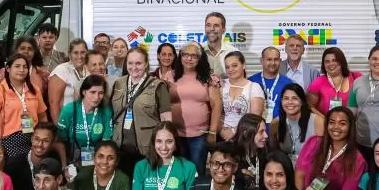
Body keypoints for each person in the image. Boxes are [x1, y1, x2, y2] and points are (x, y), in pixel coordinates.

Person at [111, 47, 173, 177]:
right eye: (130, 63)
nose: (134, 67)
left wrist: (164, 149)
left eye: (138, 63)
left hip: (146, 151)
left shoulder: (158, 85)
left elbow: (166, 121)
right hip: (120, 150)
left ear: (145, 64)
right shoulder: (118, 83)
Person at [0, 54, 49, 162]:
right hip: (9, 142)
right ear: (8, 69)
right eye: (17, 66)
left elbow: (42, 116)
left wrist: (46, 136)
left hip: (34, 139)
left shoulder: (34, 89)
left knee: (33, 173)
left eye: (25, 67)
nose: (22, 70)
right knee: (14, 173)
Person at [170, 41, 221, 176]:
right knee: (178, 173)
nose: (189, 58)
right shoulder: (171, 76)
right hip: (175, 135)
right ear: (180, 57)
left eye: (194, 56)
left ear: (200, 58)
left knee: (197, 173)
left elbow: (216, 104)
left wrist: (213, 131)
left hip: (199, 136)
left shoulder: (208, 78)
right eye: (185, 55)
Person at [5, 123, 64, 190]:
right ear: (32, 139)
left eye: (46, 141)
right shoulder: (14, 165)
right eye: (37, 139)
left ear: (52, 143)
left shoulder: (54, 161)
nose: (40, 144)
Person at [57, 74, 113, 168]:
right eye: (93, 92)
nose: (96, 97)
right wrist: (64, 166)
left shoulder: (105, 111)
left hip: (97, 156)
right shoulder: (70, 110)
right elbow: (59, 141)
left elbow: (106, 143)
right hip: (72, 155)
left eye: (101, 93)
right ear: (84, 92)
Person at [269, 83, 322, 161]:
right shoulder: (275, 123)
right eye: (286, 98)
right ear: (281, 101)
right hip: (286, 169)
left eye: (294, 98)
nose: (290, 102)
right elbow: (274, 153)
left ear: (302, 101)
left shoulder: (317, 122)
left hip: (311, 169)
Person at [220, 51, 265, 141]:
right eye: (227, 67)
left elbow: (254, 119)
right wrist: (221, 131)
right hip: (222, 135)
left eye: (234, 65)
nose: (230, 69)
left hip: (244, 137)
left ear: (243, 65)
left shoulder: (254, 87)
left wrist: (234, 131)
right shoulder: (221, 84)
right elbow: (216, 112)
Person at [307, 47, 360, 115]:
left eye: (334, 60)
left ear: (341, 62)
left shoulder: (356, 77)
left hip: (352, 123)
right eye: (327, 61)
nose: (331, 64)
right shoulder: (319, 82)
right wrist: (324, 120)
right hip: (327, 124)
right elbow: (309, 106)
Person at [48, 38, 89, 123]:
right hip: (67, 121)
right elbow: (53, 103)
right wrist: (60, 127)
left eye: (83, 52)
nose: (79, 56)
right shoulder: (61, 70)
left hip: (87, 121)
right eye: (75, 53)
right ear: (70, 54)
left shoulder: (89, 70)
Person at [249, 46, 294, 121]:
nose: (273, 63)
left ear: (280, 61)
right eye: (269, 59)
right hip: (256, 129)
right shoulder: (251, 82)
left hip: (280, 128)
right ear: (261, 60)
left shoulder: (288, 83)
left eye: (276, 59)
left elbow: (292, 108)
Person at [233, 113, 268, 190]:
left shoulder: (266, 155)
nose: (266, 135)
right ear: (246, 133)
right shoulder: (233, 156)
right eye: (261, 132)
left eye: (265, 131)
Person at [202, 11, 237, 78]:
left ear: (223, 30)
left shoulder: (233, 52)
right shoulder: (198, 52)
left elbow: (240, 80)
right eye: (208, 25)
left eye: (216, 26)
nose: (212, 29)